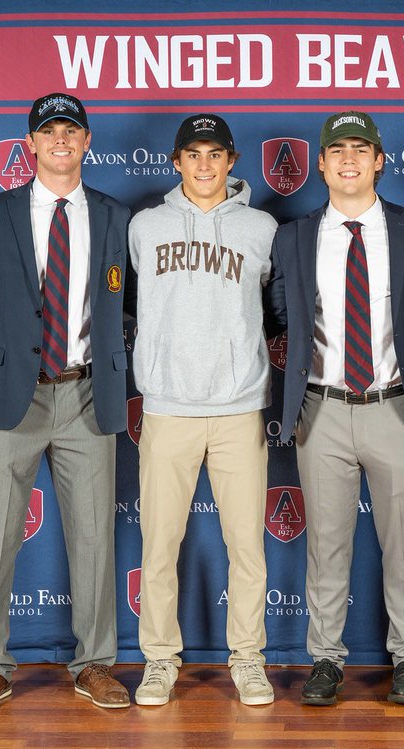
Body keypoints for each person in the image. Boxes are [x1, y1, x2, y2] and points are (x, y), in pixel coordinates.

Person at [0, 93, 131, 714]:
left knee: (94, 538)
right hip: (11, 396)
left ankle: (94, 664)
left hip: (90, 394)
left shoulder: (116, 216)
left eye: (72, 130)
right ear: (30, 144)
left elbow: (141, 305)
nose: (61, 140)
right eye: (49, 132)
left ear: (87, 141)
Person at [267, 111, 404, 706]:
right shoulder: (291, 236)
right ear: (320, 163)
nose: (348, 159)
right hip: (323, 407)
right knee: (328, 544)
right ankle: (325, 660)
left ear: (379, 160)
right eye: (336, 149)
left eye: (360, 149)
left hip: (394, 407)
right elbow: (276, 317)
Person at [128, 113, 277, 707]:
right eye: (193, 154)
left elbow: (278, 308)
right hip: (167, 407)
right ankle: (160, 661)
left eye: (215, 154)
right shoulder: (145, 226)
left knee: (248, 547)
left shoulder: (262, 229)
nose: (205, 165)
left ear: (232, 161)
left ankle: (248, 659)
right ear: (176, 161)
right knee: (159, 546)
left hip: (239, 407)